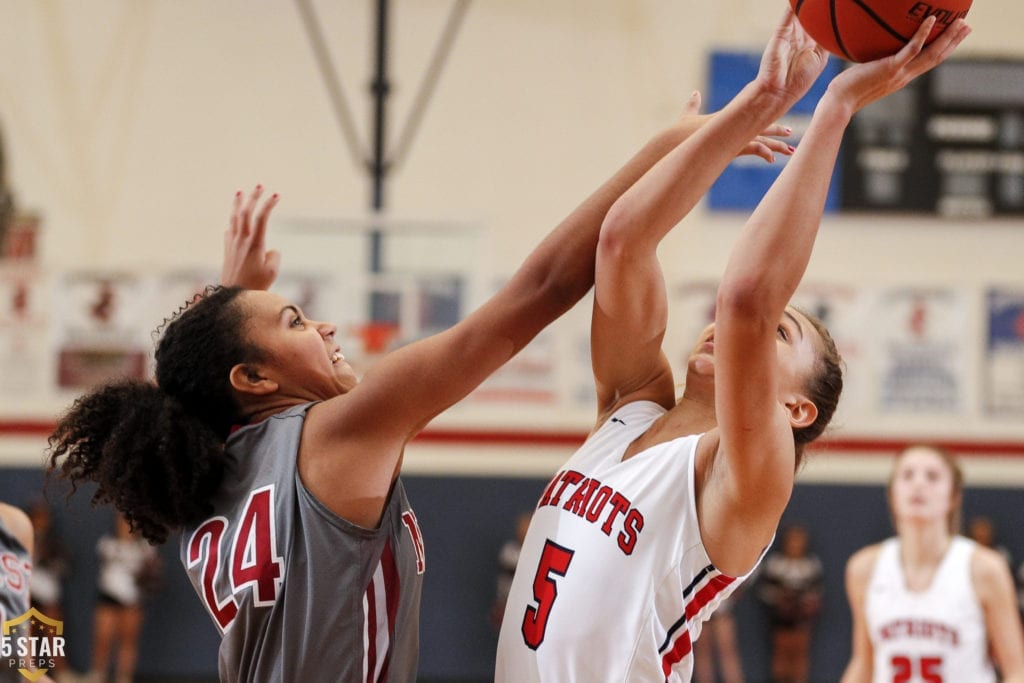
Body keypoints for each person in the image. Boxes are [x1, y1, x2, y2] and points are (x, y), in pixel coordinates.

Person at [45, 66, 795, 682]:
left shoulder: (213, 468)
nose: (327, 326)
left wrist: (237, 302)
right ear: (254, 379)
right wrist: (670, 143)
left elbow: (207, 390)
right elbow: (538, 290)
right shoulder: (335, 430)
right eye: (298, 323)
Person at [495, 14, 970, 682]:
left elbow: (746, 299)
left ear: (796, 410)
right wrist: (762, 101)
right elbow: (621, 243)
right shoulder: (628, 407)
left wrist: (835, 107)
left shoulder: (746, 477)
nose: (729, 329)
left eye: (782, 333)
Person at [841, 444, 1024, 683]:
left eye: (933, 476)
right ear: (892, 495)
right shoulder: (864, 568)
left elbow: (1016, 670)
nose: (919, 484)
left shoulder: (985, 568)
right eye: (907, 475)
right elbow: (864, 661)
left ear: (953, 497)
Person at [83, 513, 160, 683]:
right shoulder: (107, 544)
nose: (125, 525)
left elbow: (154, 574)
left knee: (128, 640)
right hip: (108, 597)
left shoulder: (146, 547)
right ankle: (98, 674)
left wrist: (147, 576)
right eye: (122, 521)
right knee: (103, 637)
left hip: (133, 599)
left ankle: (124, 677)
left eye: (129, 522)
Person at [756, 524, 824, 683]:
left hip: (802, 622)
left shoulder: (811, 565)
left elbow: (816, 593)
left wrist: (805, 604)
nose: (795, 545)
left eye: (799, 541)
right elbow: (765, 591)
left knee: (800, 655)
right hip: (780, 622)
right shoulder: (776, 564)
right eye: (792, 541)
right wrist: (781, 600)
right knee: (781, 655)